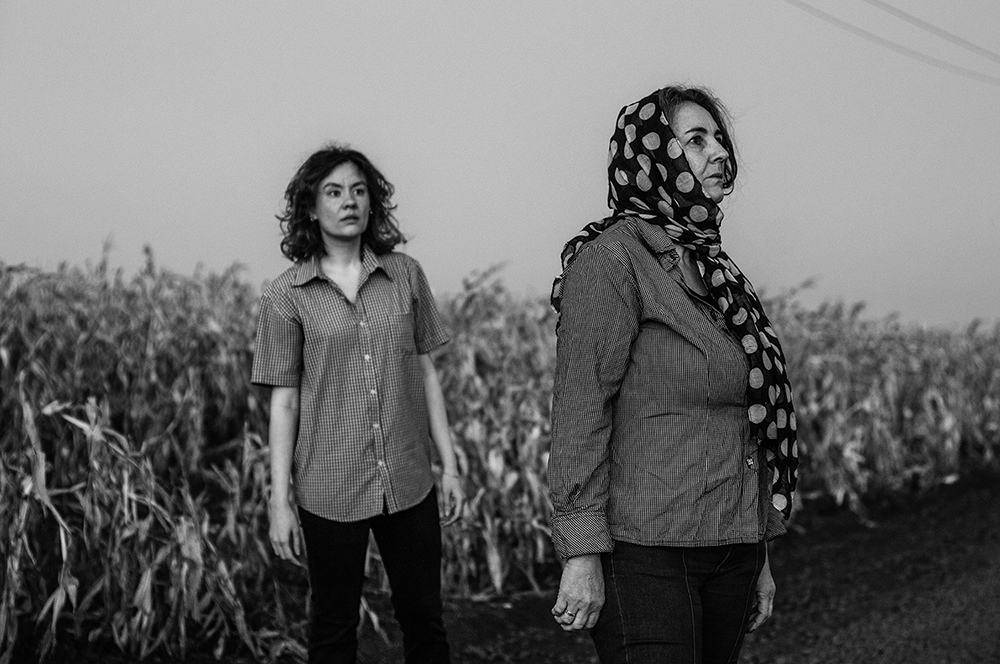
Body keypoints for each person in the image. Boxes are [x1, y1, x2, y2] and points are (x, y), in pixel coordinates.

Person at [547, 86, 799, 664]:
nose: (720, 154)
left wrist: (758, 552)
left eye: (719, 138)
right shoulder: (613, 261)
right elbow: (581, 411)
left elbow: (750, 422)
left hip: (731, 549)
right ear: (653, 156)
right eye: (696, 140)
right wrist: (581, 554)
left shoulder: (717, 271)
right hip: (646, 554)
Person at [251, 144, 464, 664]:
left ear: (372, 203)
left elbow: (426, 373)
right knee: (333, 628)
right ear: (310, 208)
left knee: (425, 621)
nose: (348, 201)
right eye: (333, 192)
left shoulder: (405, 275)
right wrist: (279, 502)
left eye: (359, 190)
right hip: (329, 484)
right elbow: (284, 403)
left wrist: (451, 467)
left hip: (409, 480)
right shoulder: (285, 296)